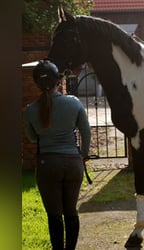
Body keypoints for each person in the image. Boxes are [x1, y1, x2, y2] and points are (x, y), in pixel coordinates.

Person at [24, 59, 91, 250]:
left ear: (37, 84)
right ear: (58, 80)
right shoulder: (74, 103)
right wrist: (83, 155)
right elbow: (86, 133)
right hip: (73, 164)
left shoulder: (30, 110)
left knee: (54, 215)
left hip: (47, 165)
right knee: (71, 212)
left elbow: (31, 138)